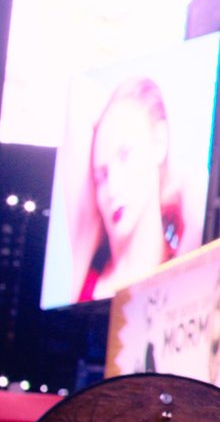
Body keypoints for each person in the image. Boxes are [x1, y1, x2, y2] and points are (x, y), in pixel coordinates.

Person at [76, 77, 190, 301]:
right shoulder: (83, 282)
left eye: (125, 155)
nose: (112, 188)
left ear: (159, 141)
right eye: (101, 177)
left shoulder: (188, 265)